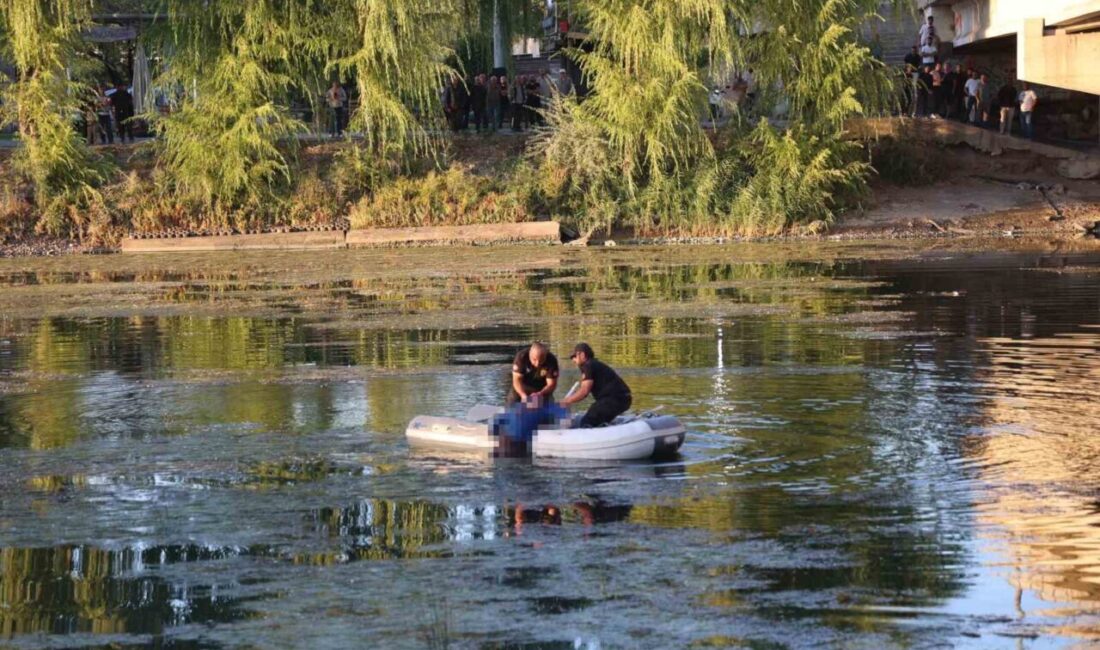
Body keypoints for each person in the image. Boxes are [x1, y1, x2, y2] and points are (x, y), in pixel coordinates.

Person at [559, 343, 632, 428]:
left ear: (582, 354)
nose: (573, 360)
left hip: (614, 399)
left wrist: (566, 401)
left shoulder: (588, 365)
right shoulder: (594, 364)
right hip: (623, 398)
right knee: (598, 419)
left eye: (574, 357)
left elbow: (584, 391)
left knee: (587, 421)